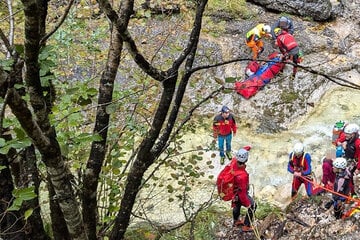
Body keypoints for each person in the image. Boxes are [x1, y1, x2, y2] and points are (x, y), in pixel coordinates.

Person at [232, 148, 256, 232]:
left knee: (236, 205)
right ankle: (246, 225)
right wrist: (247, 203)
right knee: (253, 205)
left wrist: (247, 148)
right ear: (246, 159)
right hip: (240, 193)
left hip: (234, 192)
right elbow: (242, 194)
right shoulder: (243, 176)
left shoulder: (234, 164)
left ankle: (235, 221)